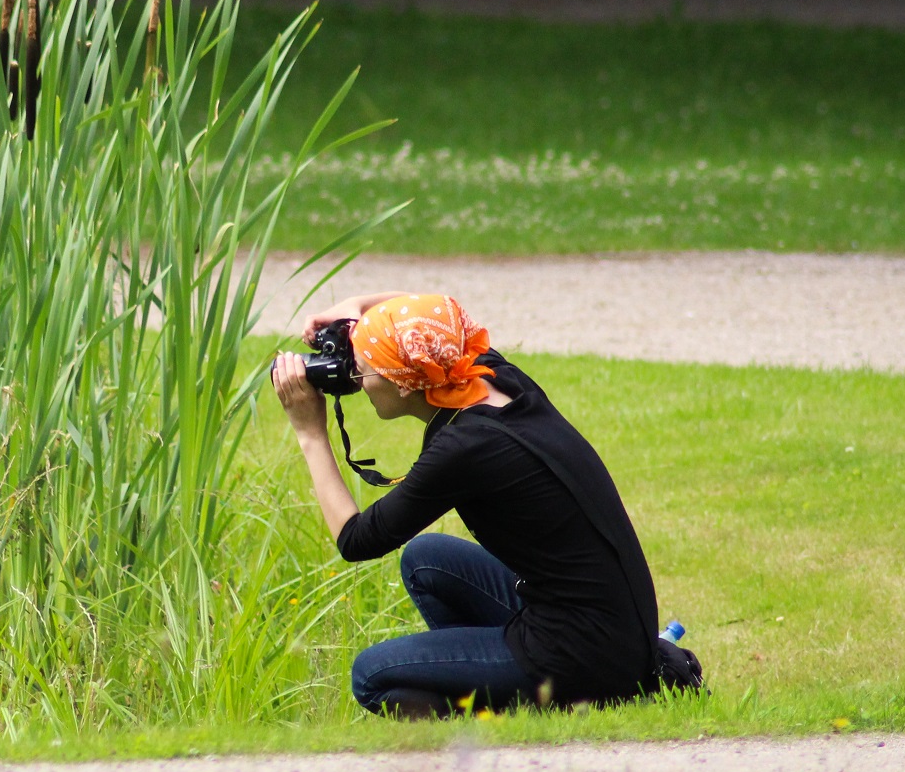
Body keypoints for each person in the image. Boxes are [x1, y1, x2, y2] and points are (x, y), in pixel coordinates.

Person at [270, 291, 675, 717]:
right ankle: (504, 683)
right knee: (428, 559)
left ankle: (531, 707)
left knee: (372, 676)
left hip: (582, 649)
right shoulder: (490, 375)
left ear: (405, 383)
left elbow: (356, 540)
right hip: (616, 628)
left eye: (364, 369)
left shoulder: (464, 447)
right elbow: (441, 310)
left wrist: (310, 432)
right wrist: (357, 305)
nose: (356, 379)